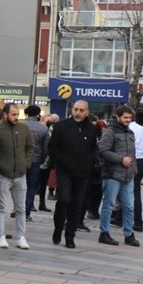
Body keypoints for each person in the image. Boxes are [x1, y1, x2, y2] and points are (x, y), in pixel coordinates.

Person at [48, 101, 98, 249]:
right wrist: (58, 161)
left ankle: (70, 235)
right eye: (76, 109)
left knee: (77, 204)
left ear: (86, 112)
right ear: (72, 110)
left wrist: (92, 162)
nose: (78, 112)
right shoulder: (61, 126)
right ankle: (58, 228)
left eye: (81, 110)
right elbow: (52, 147)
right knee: (64, 200)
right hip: (64, 171)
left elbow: (93, 148)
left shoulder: (91, 129)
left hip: (83, 173)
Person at [0, 103, 35, 250]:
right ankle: (1, 235)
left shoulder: (24, 128)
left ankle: (21, 237)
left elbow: (30, 147)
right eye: (14, 114)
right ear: (5, 114)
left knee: (21, 208)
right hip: (3, 174)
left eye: (18, 114)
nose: (17, 117)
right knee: (1, 207)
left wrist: (26, 163)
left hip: (20, 174)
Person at [97, 105, 139, 247]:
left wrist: (134, 170)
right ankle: (104, 233)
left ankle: (129, 233)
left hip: (128, 175)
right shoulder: (110, 131)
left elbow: (133, 153)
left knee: (129, 206)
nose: (128, 120)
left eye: (130, 118)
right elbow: (103, 150)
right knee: (108, 205)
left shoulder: (131, 133)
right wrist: (121, 159)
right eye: (125, 117)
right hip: (112, 174)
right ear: (118, 117)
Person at [23, 104, 49, 220]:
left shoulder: (20, 125)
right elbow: (46, 147)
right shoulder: (43, 128)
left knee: (19, 186)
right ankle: (27, 211)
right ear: (38, 115)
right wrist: (42, 159)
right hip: (36, 160)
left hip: (21, 160)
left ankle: (17, 209)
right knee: (31, 187)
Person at [130, 116, 143, 232]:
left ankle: (136, 221)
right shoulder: (142, 129)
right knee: (135, 190)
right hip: (142, 160)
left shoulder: (128, 128)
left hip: (133, 159)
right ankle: (137, 221)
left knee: (129, 191)